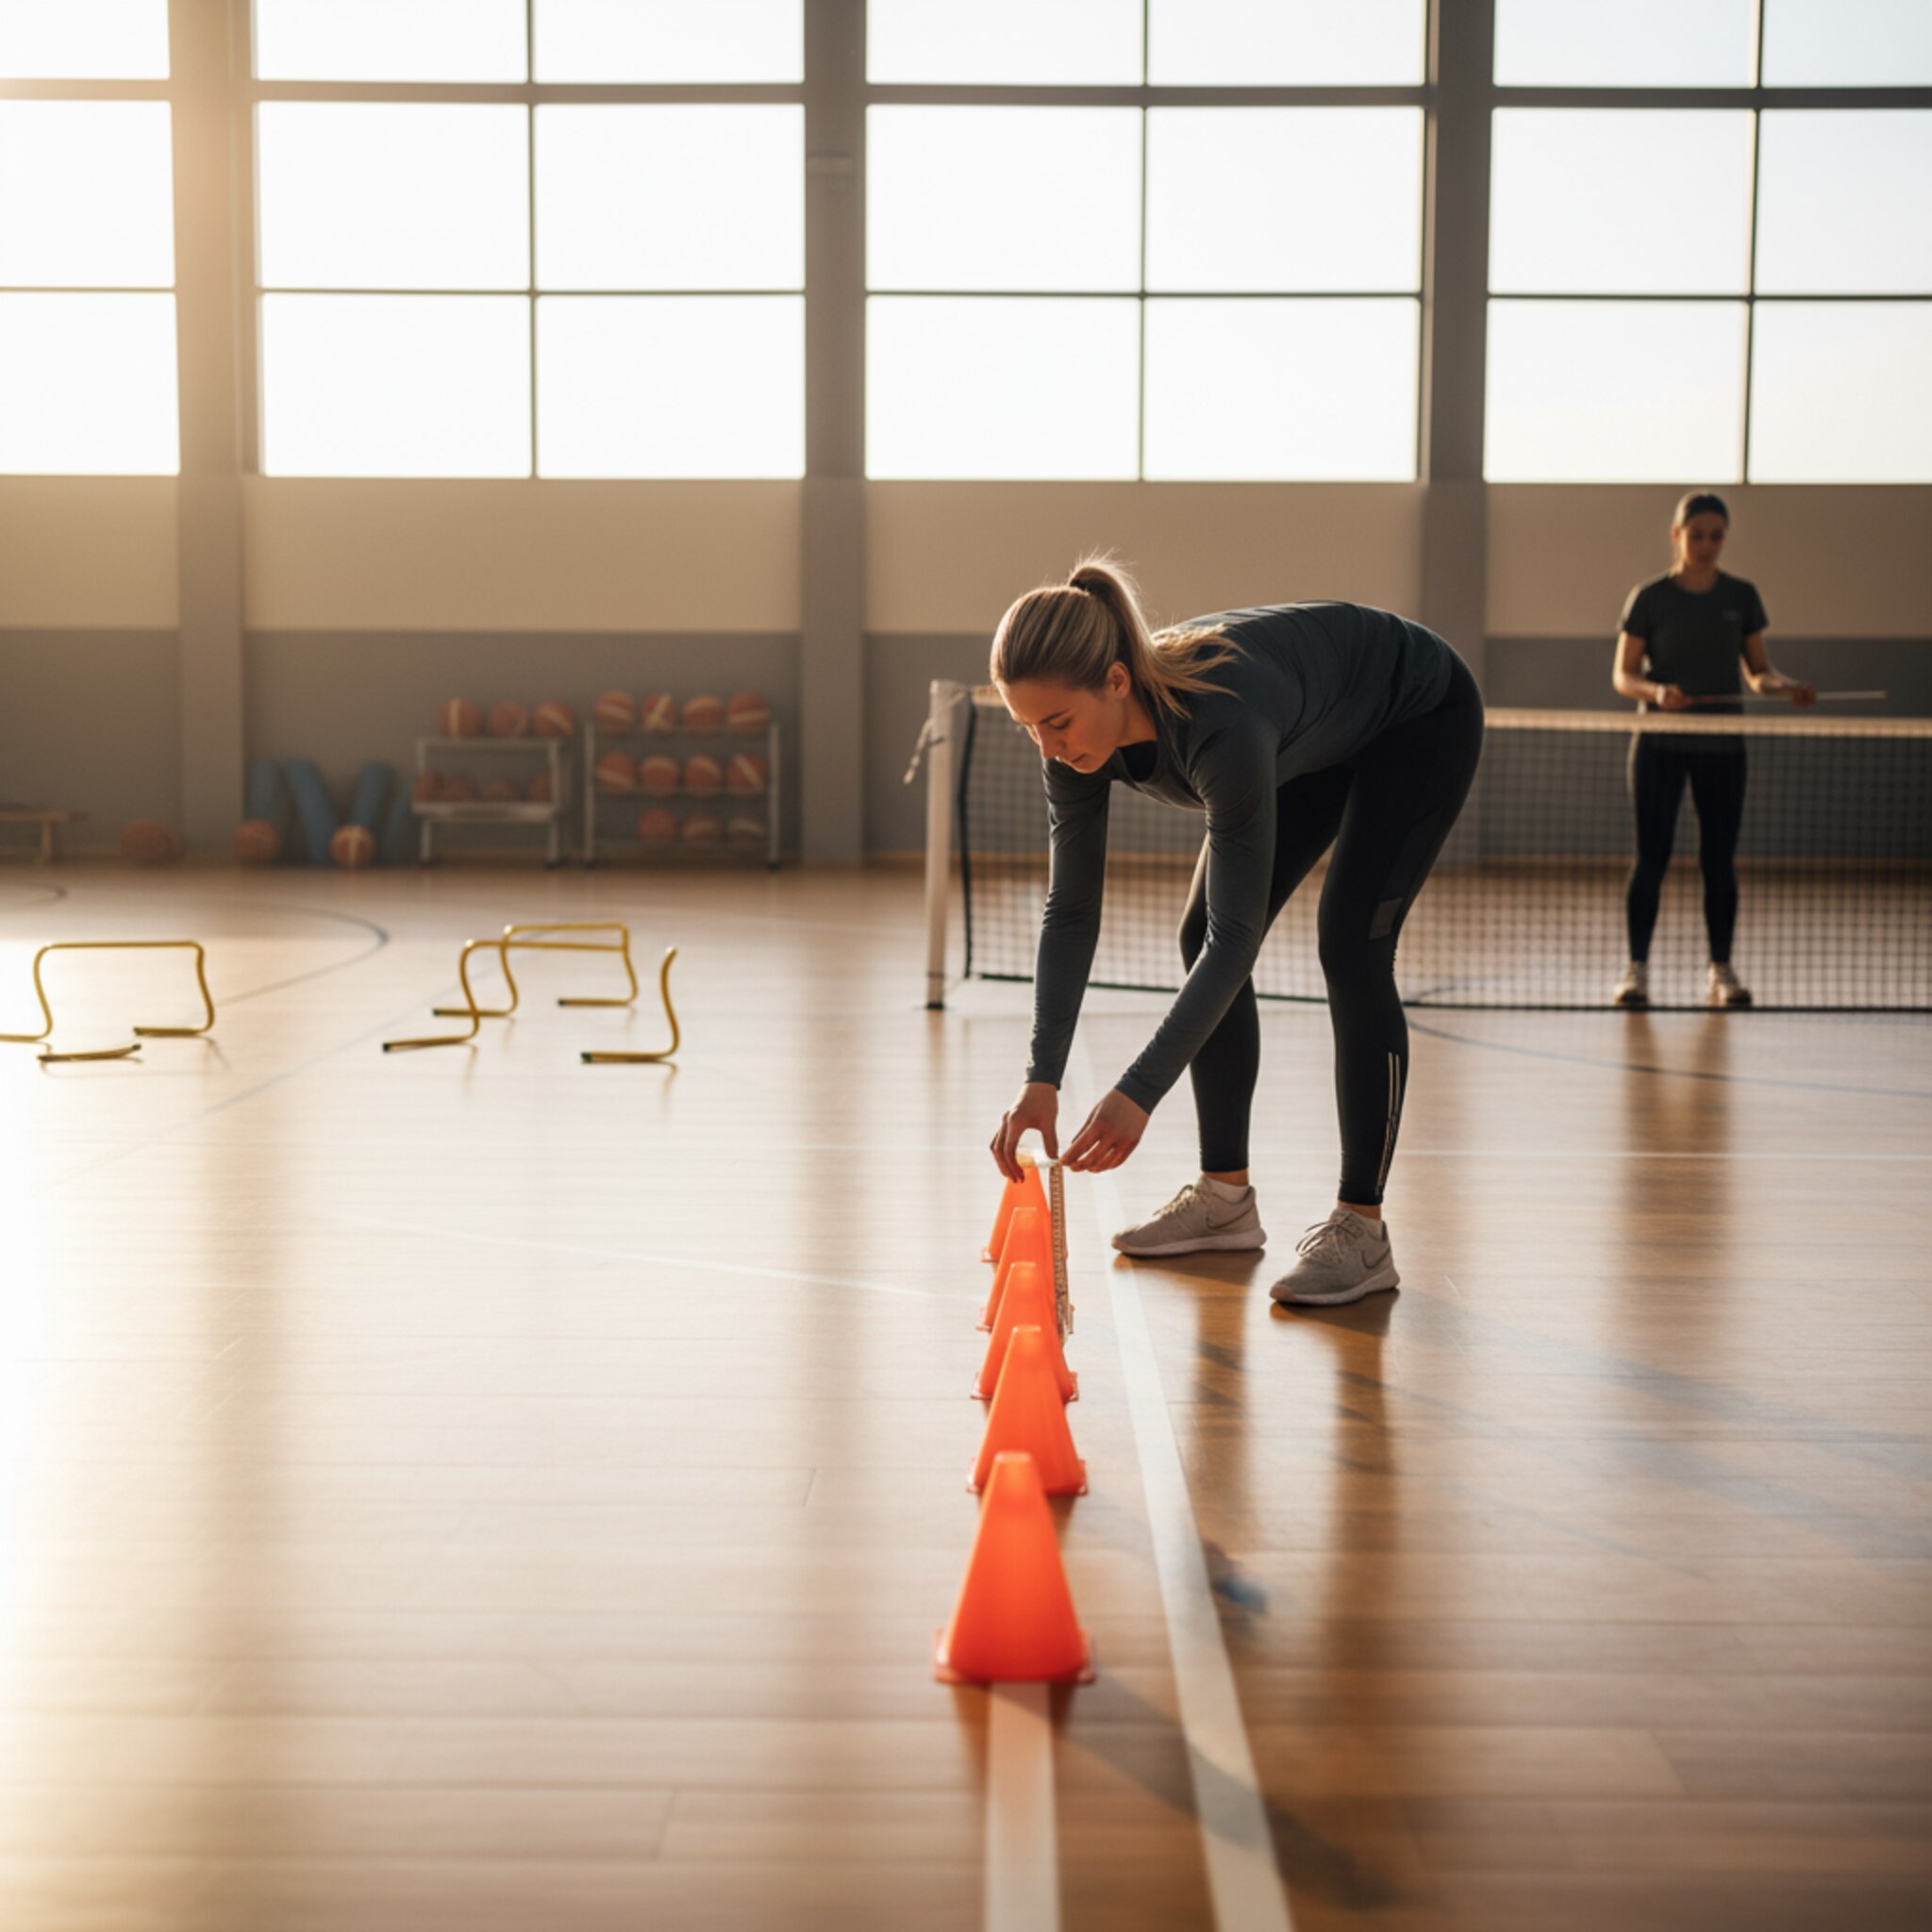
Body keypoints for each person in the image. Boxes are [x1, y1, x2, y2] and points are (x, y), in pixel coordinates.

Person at [986, 558, 1483, 1309]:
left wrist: (1138, 1092)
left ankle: (1363, 1228)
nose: (1048, 750)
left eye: (1056, 723)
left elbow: (1237, 937)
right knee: (1198, 934)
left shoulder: (1221, 724)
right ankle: (1224, 1201)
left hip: (1416, 715)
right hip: (1317, 729)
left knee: (1351, 944)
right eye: (1028, 728)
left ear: (1116, 681)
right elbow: (1072, 909)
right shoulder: (1073, 750)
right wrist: (1041, 1077)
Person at [1610, 491, 1814, 1009]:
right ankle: (1636, 971)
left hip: (1722, 748)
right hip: (1658, 745)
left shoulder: (1741, 596)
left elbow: (1759, 672)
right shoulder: (1649, 597)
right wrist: (1657, 693)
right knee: (1651, 858)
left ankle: (1721, 971)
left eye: (1716, 536)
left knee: (1719, 861)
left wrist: (1785, 686)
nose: (1706, 544)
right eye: (1697, 534)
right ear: (1677, 535)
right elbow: (1624, 675)